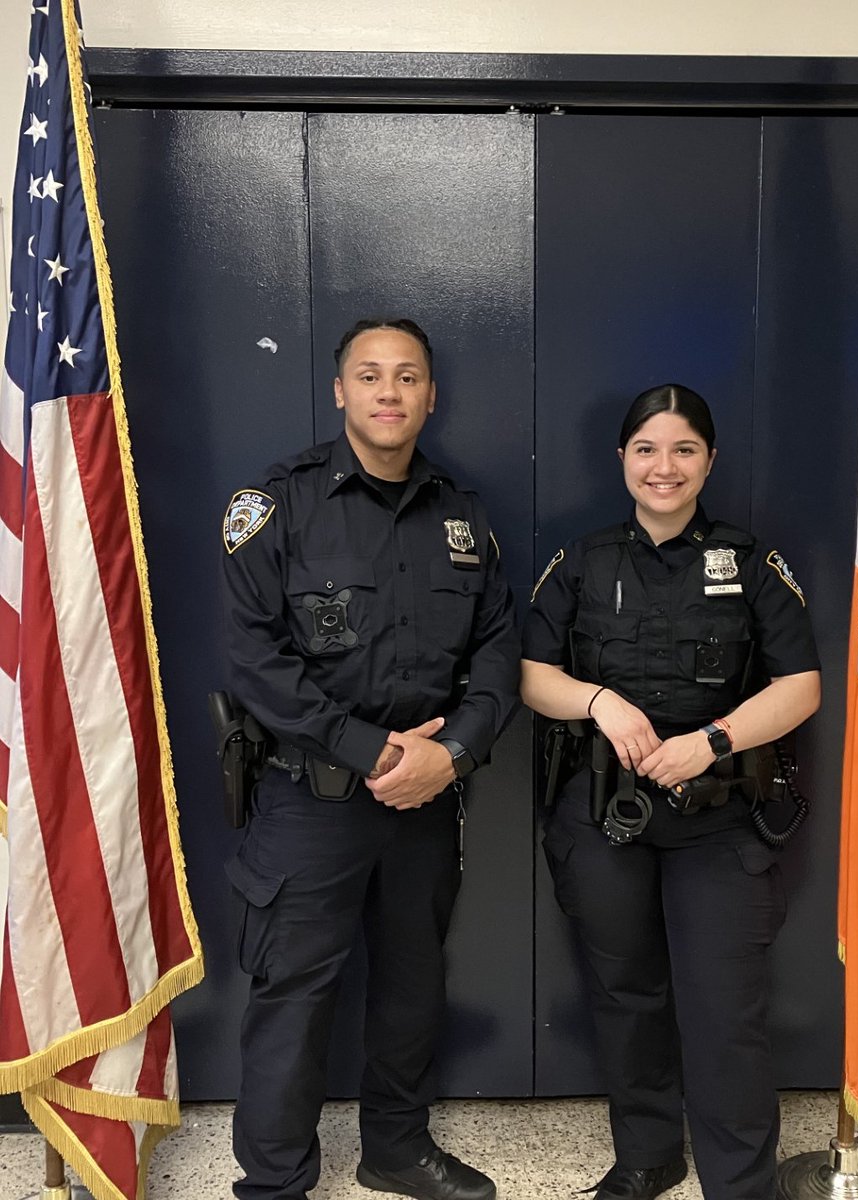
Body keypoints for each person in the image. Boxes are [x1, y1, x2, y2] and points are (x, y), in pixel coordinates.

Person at [221, 317, 519, 1200]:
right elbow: (255, 662)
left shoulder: (462, 514)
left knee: (411, 987)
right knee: (293, 996)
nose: (389, 392)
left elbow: (498, 651)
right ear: (340, 390)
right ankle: (274, 1184)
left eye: (408, 376)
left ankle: (396, 1149)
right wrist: (372, 748)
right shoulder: (276, 504)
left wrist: (453, 754)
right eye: (371, 375)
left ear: (432, 396)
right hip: (309, 801)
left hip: (424, 801)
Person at [521, 384, 821, 1200]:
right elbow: (532, 675)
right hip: (603, 816)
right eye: (647, 449)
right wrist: (599, 701)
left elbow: (801, 687)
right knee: (626, 997)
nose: (665, 466)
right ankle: (648, 1156)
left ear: (710, 461)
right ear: (621, 457)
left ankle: (740, 1183)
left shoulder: (752, 564)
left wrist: (711, 741)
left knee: (725, 1010)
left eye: (684, 449)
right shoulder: (581, 562)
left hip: (717, 820)